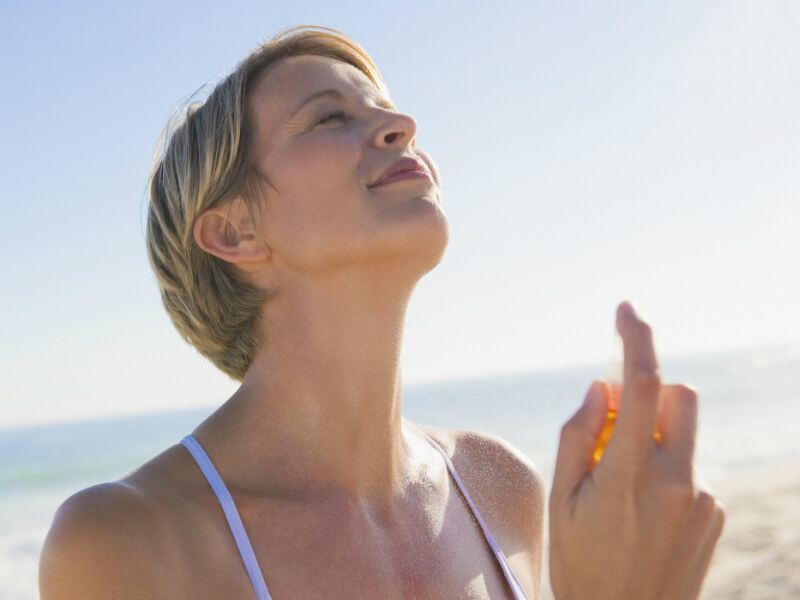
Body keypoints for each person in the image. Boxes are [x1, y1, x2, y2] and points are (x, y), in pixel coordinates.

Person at [38, 26, 724, 599]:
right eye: (330, 116)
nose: (402, 125)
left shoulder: (502, 486)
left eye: (387, 108)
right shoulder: (127, 542)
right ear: (236, 234)